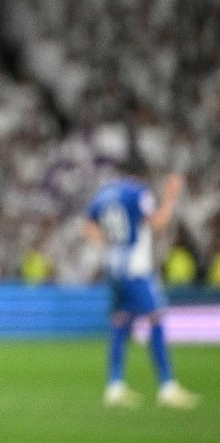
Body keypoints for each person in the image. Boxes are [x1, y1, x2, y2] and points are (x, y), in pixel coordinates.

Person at [84, 172, 200, 409]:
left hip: (114, 266)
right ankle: (167, 386)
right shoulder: (137, 192)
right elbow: (157, 223)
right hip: (136, 268)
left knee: (120, 322)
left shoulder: (103, 195)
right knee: (157, 318)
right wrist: (170, 196)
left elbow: (87, 226)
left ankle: (114, 386)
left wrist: (110, 241)